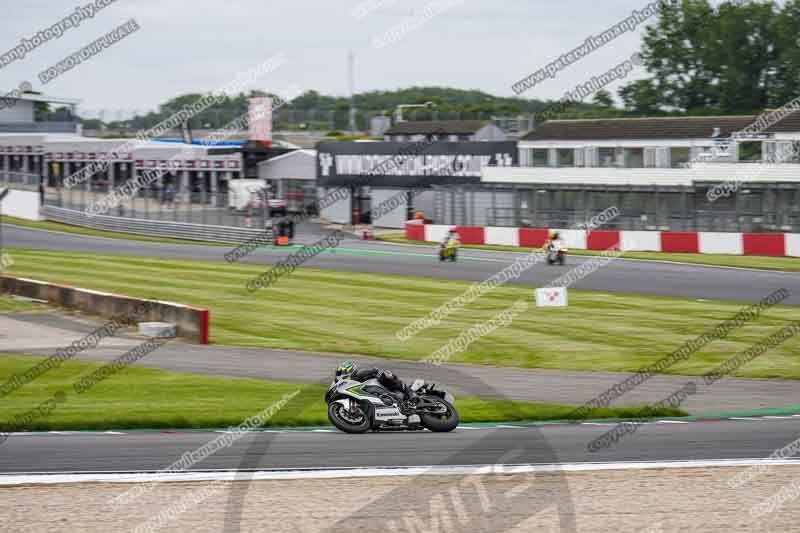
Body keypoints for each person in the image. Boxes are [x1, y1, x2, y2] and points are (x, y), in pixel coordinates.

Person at [336, 361, 418, 404]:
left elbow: (374, 370)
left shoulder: (360, 374)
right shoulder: (351, 386)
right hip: (376, 396)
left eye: (342, 373)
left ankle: (410, 392)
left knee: (385, 376)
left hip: (384, 387)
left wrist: (372, 372)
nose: (341, 376)